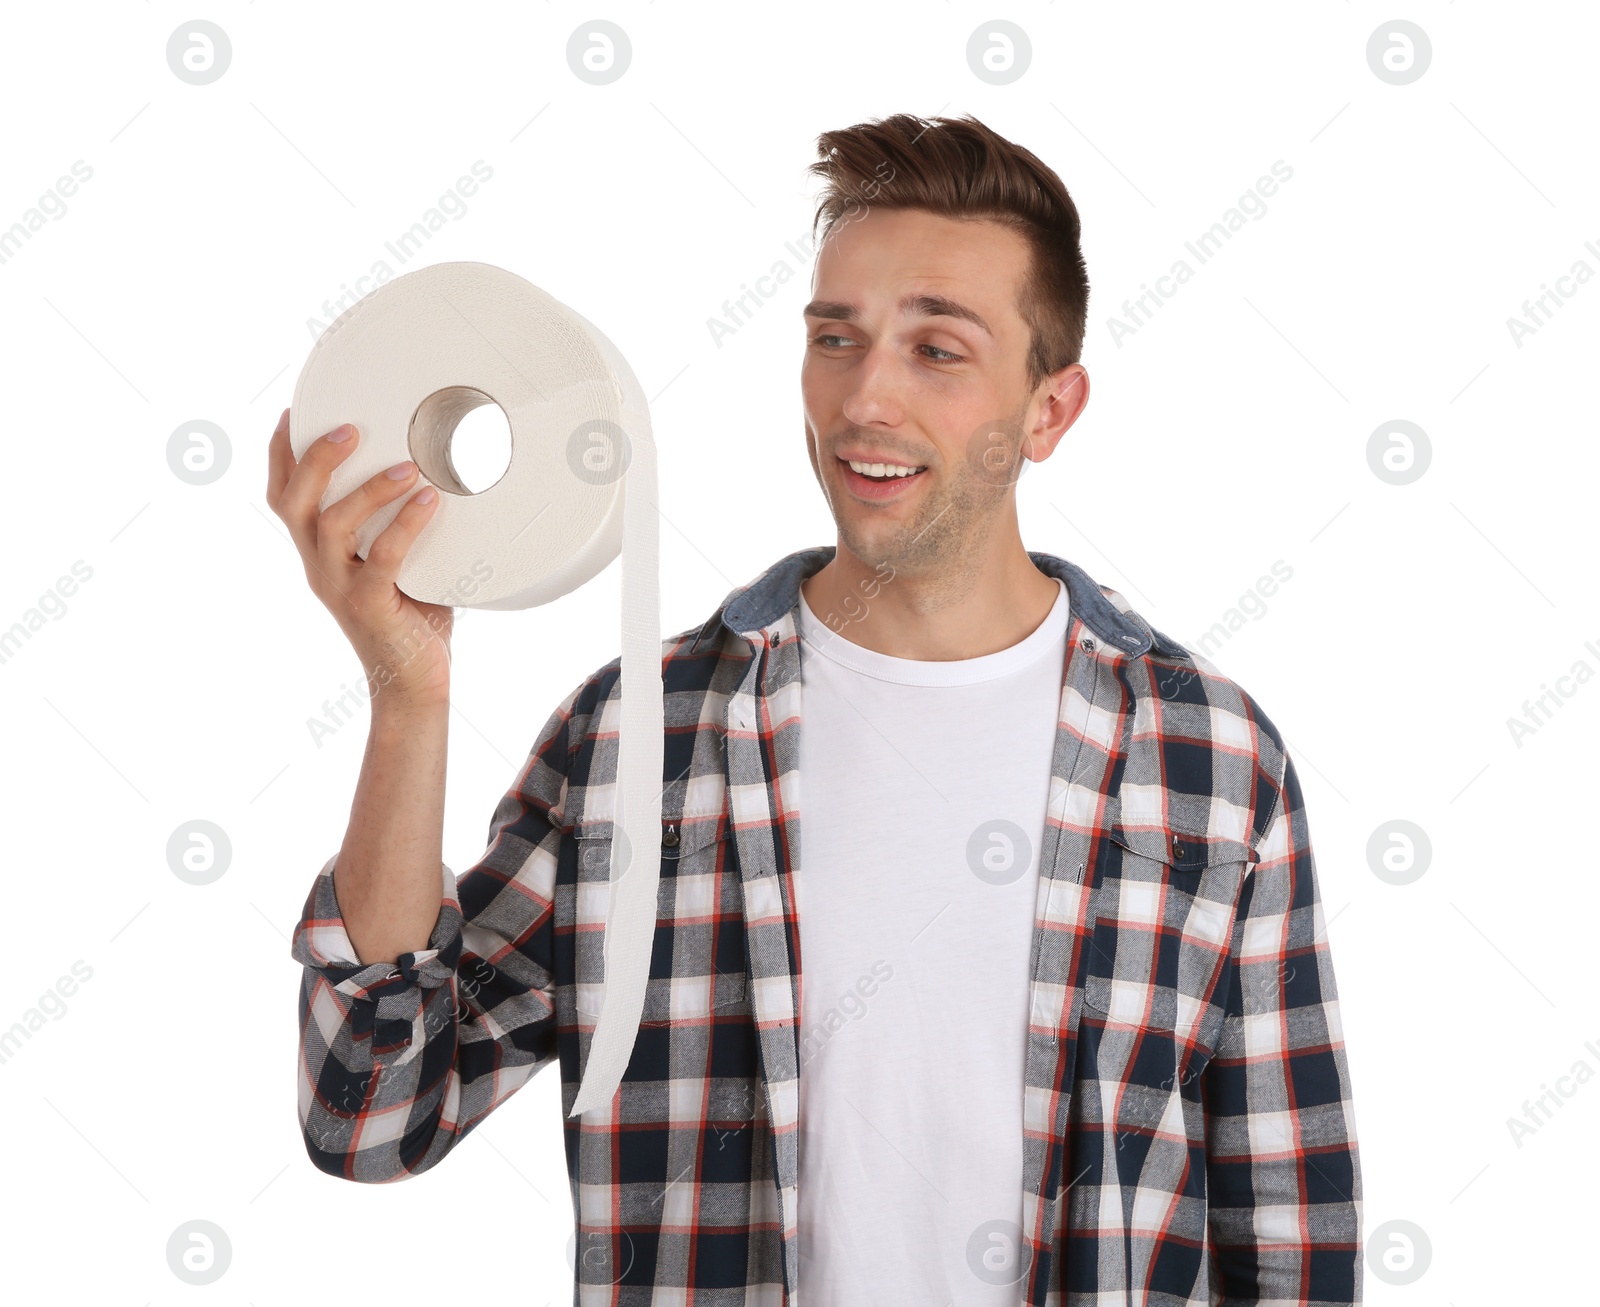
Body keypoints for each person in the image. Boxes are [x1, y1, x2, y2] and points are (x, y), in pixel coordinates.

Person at [268, 112, 1361, 1305]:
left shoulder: (1207, 757)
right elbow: (371, 1111)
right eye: (835, 338)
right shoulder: (645, 739)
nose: (863, 399)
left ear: (1049, 409)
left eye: (936, 349)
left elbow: (1292, 1243)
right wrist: (406, 689)